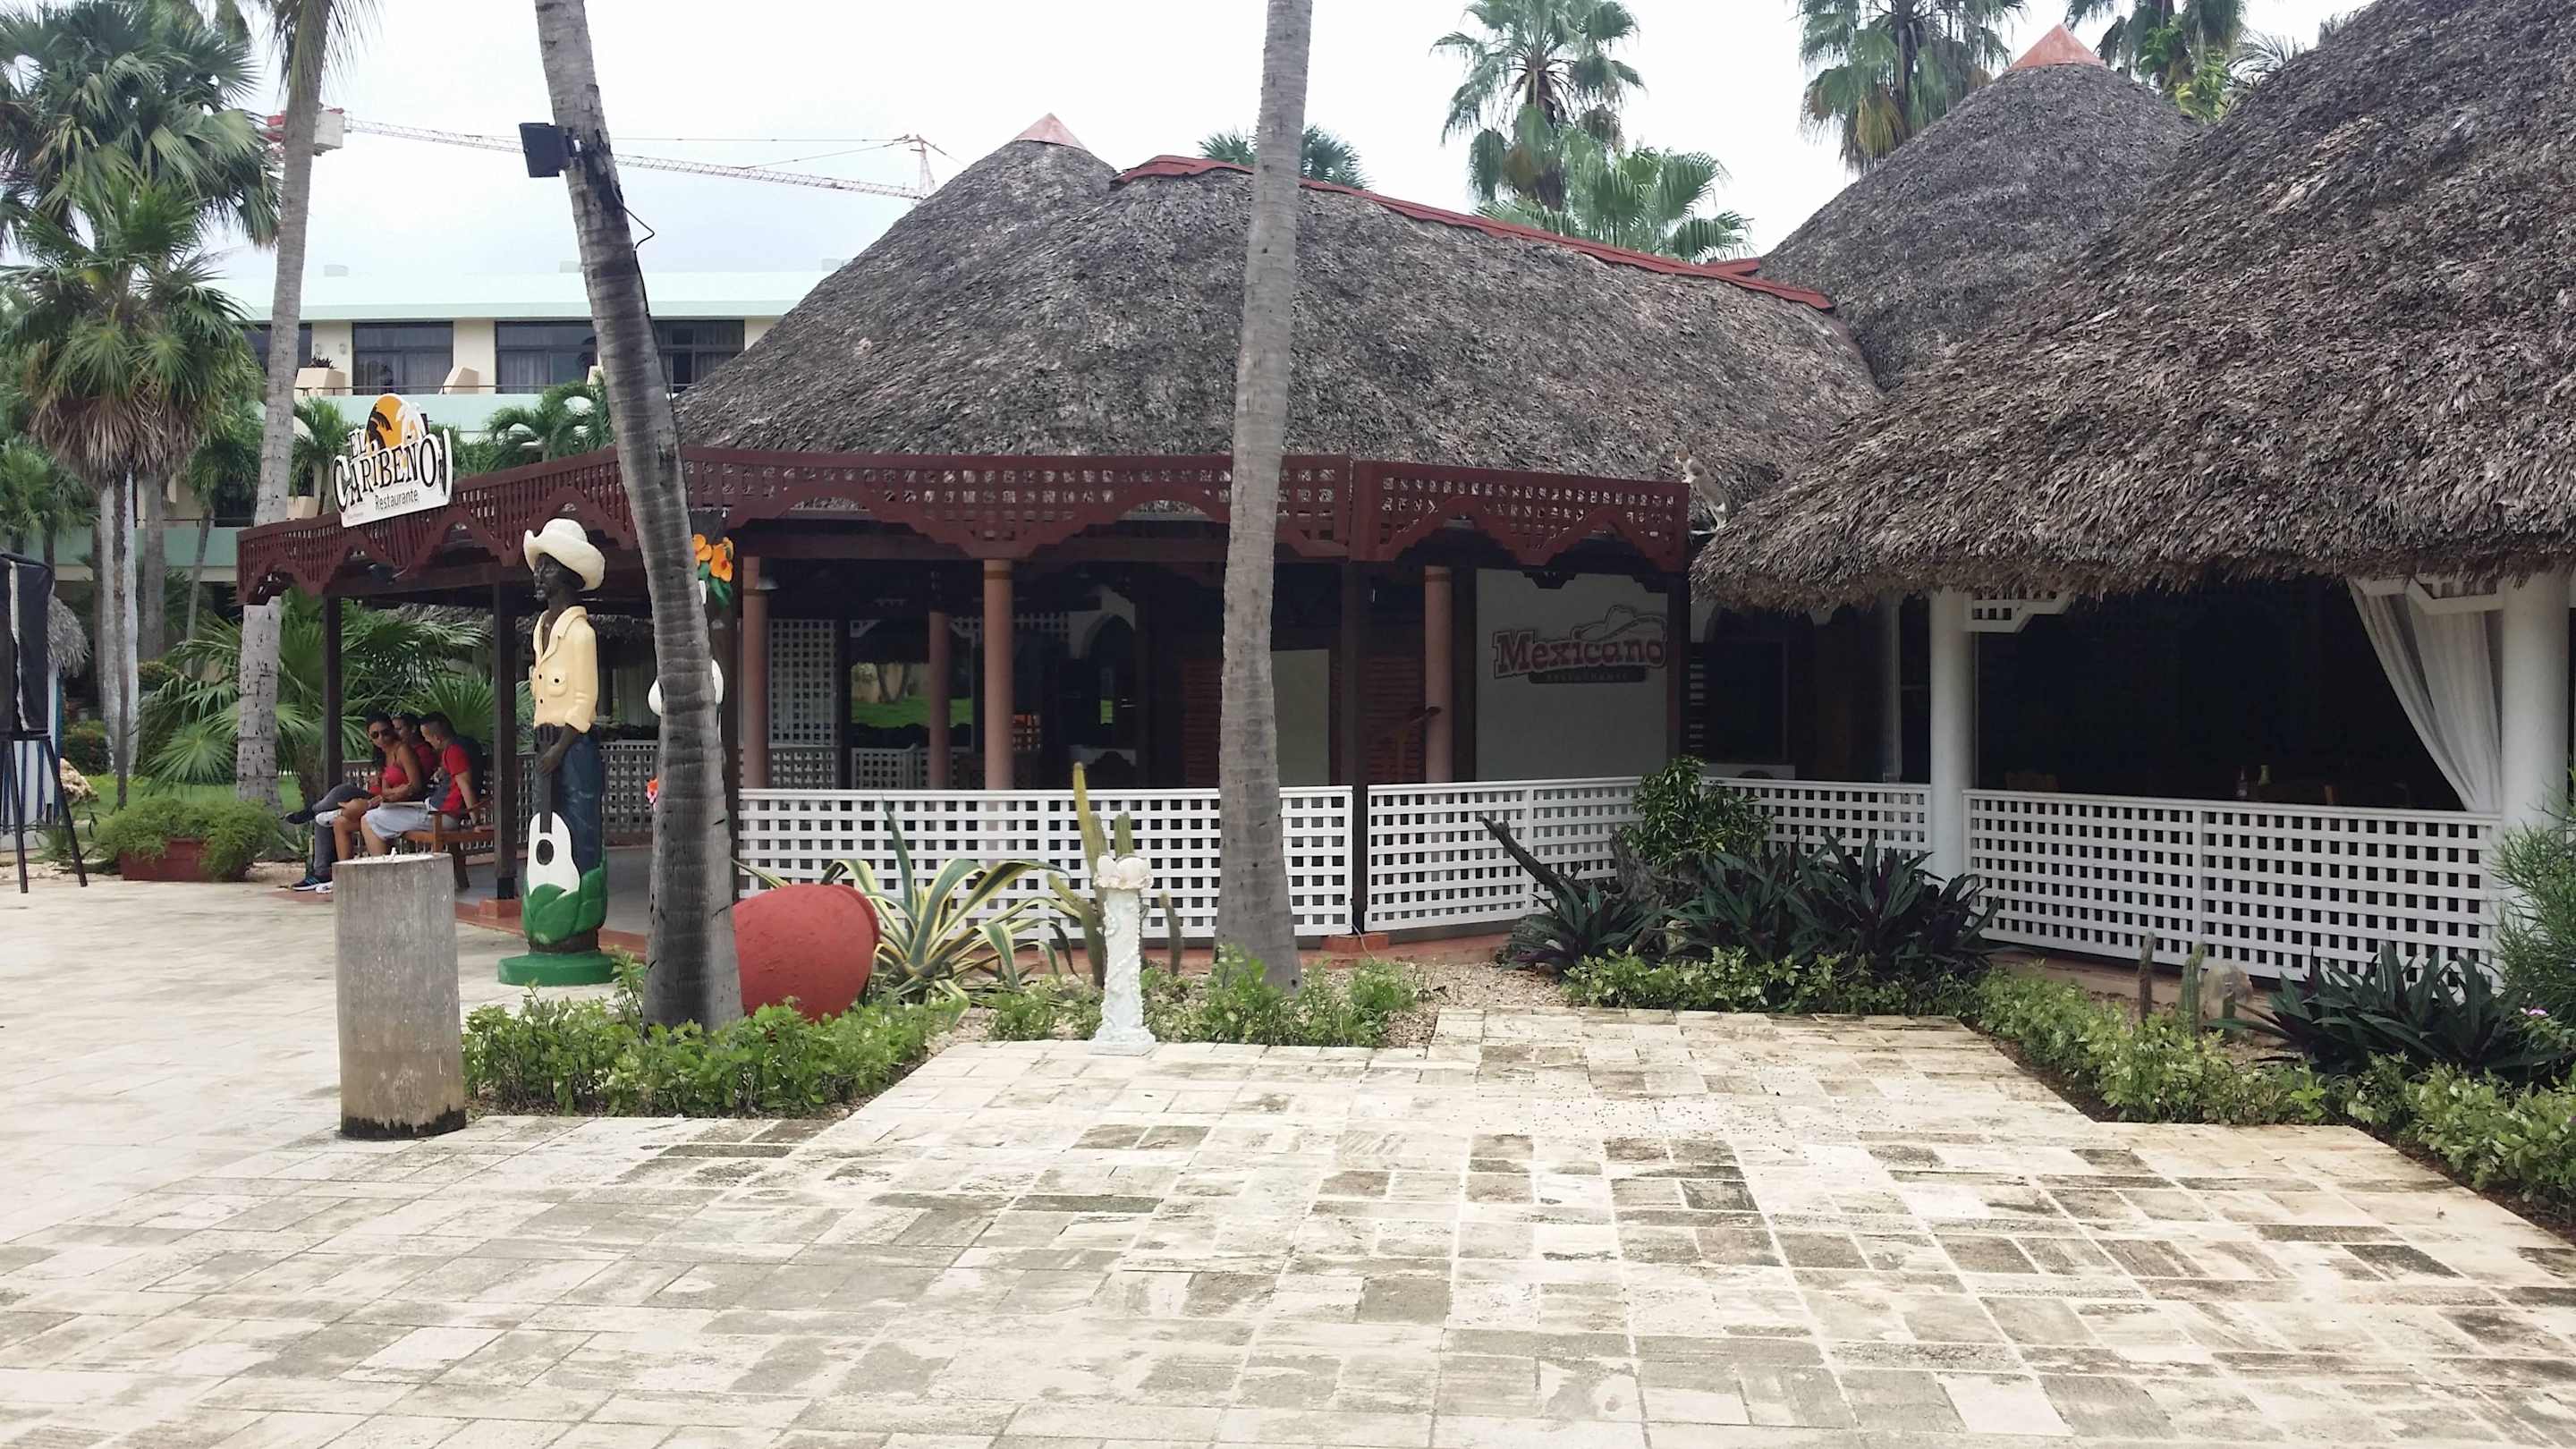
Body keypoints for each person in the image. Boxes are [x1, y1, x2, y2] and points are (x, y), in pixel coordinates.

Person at [288, 713, 412, 893]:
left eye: (385, 732)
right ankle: (333, 874)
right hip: (378, 799)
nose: (381, 738)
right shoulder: (383, 755)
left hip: (390, 804)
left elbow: (414, 785)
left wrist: (386, 793)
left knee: (341, 794)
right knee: (335, 818)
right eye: (375, 735)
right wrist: (379, 783)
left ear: (392, 730)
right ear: (369, 737)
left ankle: (319, 812)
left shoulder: (402, 751)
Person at [361, 711, 479, 854]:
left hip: (442, 816)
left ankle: (384, 867)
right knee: (378, 813)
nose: (427, 743)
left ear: (437, 738)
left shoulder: (454, 751)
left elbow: (465, 786)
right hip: (435, 809)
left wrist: (476, 822)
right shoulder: (464, 745)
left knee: (369, 820)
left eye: (426, 738)